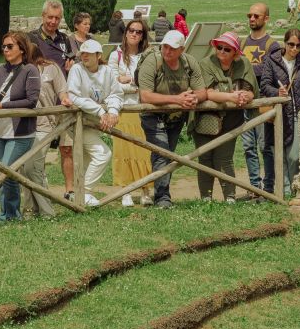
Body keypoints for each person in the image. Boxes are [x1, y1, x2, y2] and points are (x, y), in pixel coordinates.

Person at [137, 30, 206, 208]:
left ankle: (162, 193)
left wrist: (194, 98)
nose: (167, 51)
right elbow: (145, 96)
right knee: (162, 152)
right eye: (165, 47)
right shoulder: (152, 61)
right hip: (152, 115)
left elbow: (202, 90)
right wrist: (178, 100)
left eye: (172, 48)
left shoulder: (190, 63)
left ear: (181, 49)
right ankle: (163, 198)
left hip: (176, 117)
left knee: (168, 155)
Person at [193, 32, 257, 203]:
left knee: (224, 158)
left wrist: (245, 96)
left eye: (226, 49)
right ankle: (206, 198)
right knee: (205, 158)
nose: (221, 51)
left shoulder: (244, 63)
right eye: (219, 47)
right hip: (205, 120)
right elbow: (208, 92)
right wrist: (231, 97)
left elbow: (251, 89)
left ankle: (229, 197)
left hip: (231, 121)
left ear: (235, 53)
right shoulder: (206, 63)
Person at [0, 31, 40, 221]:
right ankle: (6, 213)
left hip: (20, 133)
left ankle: (10, 215)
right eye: (4, 46)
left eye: (10, 46)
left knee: (7, 172)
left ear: (22, 49)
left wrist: (3, 105)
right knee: (3, 174)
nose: (6, 50)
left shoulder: (30, 70)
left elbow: (31, 100)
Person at [67, 39, 124, 207]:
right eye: (82, 53)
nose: (84, 56)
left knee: (85, 160)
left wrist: (113, 111)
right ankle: (84, 192)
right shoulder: (77, 70)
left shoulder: (106, 71)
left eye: (89, 53)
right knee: (102, 154)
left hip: (94, 124)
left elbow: (116, 94)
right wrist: (101, 112)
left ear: (98, 55)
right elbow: (74, 96)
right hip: (77, 124)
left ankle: (78, 196)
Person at [28, 0, 76, 199]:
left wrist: (72, 65)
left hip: (63, 101)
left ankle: (70, 190)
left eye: (57, 18)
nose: (53, 21)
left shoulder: (65, 39)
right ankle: (41, 189)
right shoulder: (31, 38)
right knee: (39, 150)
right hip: (42, 102)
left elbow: (73, 60)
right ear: (43, 16)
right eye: (50, 17)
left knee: (67, 148)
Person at [260, 29, 300, 197]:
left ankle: (294, 188)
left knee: (294, 155)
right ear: (285, 43)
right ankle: (284, 192)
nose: (295, 49)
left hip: (297, 112)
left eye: (299, 45)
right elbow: (265, 85)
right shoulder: (271, 60)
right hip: (276, 114)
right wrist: (277, 92)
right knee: (279, 154)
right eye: (291, 44)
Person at [108, 19, 153, 206]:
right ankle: (125, 191)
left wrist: (126, 80)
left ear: (143, 35)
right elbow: (111, 84)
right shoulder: (115, 55)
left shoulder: (148, 55)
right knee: (123, 150)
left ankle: (145, 190)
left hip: (143, 108)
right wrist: (133, 84)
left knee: (143, 152)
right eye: (131, 30)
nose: (134, 34)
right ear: (125, 32)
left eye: (139, 32)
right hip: (123, 108)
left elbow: (149, 82)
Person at [25, 45, 71, 217]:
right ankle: (32, 209)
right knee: (28, 168)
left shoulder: (50, 68)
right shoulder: (20, 69)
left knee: (33, 168)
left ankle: (45, 211)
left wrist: (65, 100)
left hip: (45, 124)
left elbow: (62, 91)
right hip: (23, 126)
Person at [240, 3, 281, 194]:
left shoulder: (271, 45)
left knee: (265, 147)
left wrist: (249, 70)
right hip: (245, 104)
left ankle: (269, 187)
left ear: (266, 19)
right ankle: (254, 187)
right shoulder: (242, 43)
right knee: (249, 147)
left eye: (256, 16)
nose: (252, 19)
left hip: (263, 102)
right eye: (250, 15)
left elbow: (270, 72)